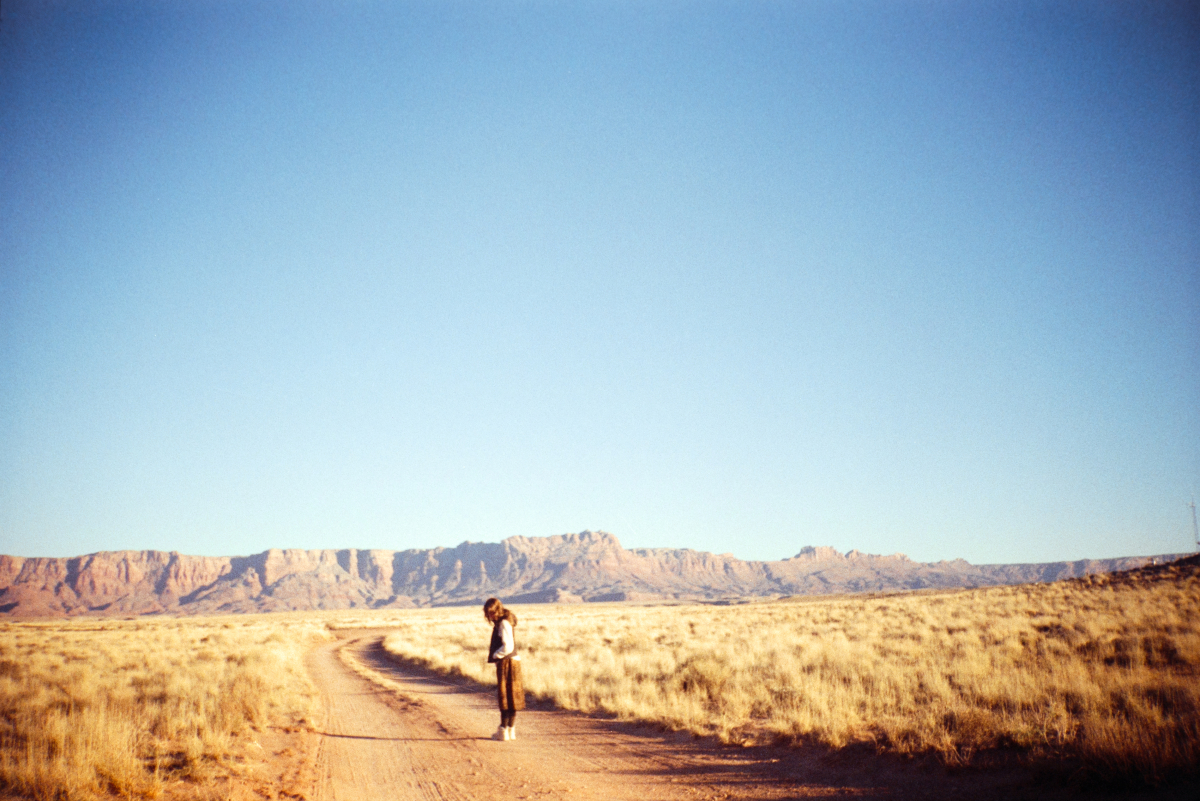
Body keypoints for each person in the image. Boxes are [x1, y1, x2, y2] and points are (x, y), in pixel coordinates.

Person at [483, 597, 525, 741]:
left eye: (492, 613)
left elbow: (508, 646)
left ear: (497, 610)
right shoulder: (504, 621)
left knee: (506, 697)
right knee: (511, 697)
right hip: (512, 662)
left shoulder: (504, 623)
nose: (490, 617)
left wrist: (496, 655)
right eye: (488, 614)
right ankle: (509, 730)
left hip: (507, 663)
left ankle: (504, 731)